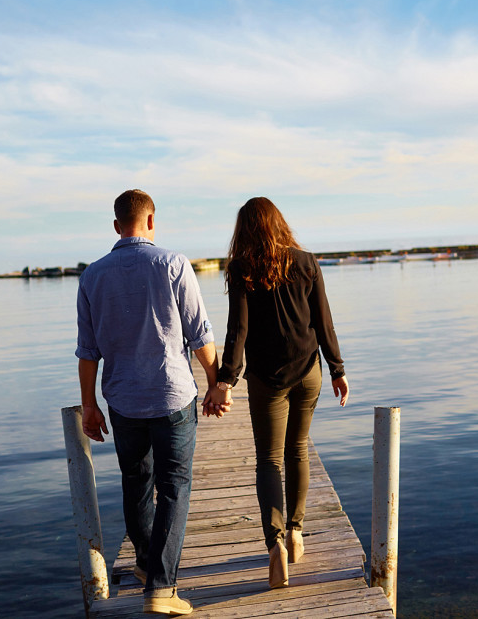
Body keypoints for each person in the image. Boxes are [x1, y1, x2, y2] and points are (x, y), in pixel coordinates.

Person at [76, 189, 225, 616]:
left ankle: (144, 564)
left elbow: (88, 351)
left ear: (117, 225)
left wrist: (89, 406)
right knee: (174, 487)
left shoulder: (92, 276)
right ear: (152, 221)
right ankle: (161, 587)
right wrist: (216, 384)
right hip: (171, 395)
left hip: (122, 400)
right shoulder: (173, 264)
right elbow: (200, 334)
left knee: (135, 481)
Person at [212, 197, 349, 589]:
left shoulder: (241, 268)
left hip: (266, 380)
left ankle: (274, 547)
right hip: (308, 372)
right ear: (279, 223)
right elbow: (325, 323)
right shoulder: (306, 262)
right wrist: (338, 370)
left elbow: (237, 331)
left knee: (269, 461)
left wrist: (225, 381)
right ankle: (295, 532)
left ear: (244, 229)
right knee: (299, 449)